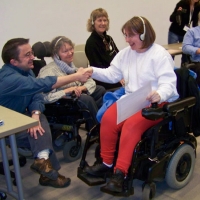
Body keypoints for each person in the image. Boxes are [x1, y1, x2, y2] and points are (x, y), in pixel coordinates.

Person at [83, 16, 179, 193]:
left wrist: (159, 94)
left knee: (131, 126)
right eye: (125, 35)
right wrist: (92, 71)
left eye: (130, 36)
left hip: (155, 102)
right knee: (108, 118)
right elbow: (112, 74)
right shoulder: (126, 54)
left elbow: (169, 83)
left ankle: (120, 174)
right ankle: (106, 163)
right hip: (133, 99)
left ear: (143, 34)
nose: (127, 40)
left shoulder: (159, 55)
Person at [0, 38, 90, 188]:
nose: (32, 57)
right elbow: (41, 84)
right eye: (27, 54)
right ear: (13, 61)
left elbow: (36, 94)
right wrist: (76, 76)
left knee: (40, 120)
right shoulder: (9, 78)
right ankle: (46, 169)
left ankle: (43, 162)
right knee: (39, 133)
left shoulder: (25, 71)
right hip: (6, 126)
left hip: (20, 117)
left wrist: (35, 113)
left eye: (32, 53)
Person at [37, 36, 106, 133]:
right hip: (60, 102)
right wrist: (66, 92)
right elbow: (44, 97)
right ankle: (97, 131)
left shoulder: (71, 67)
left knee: (100, 89)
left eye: (71, 49)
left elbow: (90, 81)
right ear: (56, 55)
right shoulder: (49, 71)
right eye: (65, 51)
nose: (70, 53)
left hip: (74, 96)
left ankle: (96, 123)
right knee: (86, 99)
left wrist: (81, 88)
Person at [85, 8, 123, 90]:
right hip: (103, 80)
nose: (103, 23)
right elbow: (99, 68)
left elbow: (119, 58)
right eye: (99, 20)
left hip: (114, 75)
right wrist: (118, 78)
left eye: (105, 20)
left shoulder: (109, 39)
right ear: (93, 23)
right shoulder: (91, 43)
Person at [168, 0, 200, 66]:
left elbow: (195, 21)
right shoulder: (182, 3)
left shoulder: (197, 6)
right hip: (175, 31)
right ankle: (169, 68)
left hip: (185, 32)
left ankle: (183, 71)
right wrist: (178, 13)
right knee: (171, 53)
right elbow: (171, 18)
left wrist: (195, 32)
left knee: (185, 55)